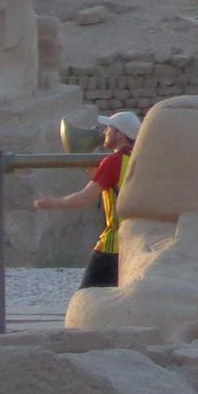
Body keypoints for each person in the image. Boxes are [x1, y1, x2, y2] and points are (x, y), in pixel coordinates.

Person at [33, 110, 141, 288]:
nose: (105, 132)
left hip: (113, 247)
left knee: (87, 296)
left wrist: (53, 203)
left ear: (120, 134)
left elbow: (84, 199)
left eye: (109, 129)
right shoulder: (140, 161)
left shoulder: (113, 162)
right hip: (137, 245)